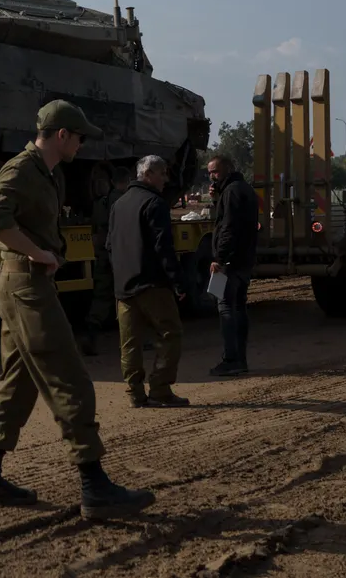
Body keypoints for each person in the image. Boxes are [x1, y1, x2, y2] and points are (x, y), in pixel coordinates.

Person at [0, 99, 156, 520]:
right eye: (79, 136)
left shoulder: (45, 173)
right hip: (27, 286)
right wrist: (39, 253)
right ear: (61, 136)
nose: (82, 144)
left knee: (17, 383)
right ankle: (95, 486)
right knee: (70, 378)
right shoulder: (21, 169)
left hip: (24, 284)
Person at [107, 155, 189, 407]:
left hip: (124, 286)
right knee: (170, 333)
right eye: (163, 173)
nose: (166, 179)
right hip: (152, 284)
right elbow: (163, 248)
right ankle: (160, 389)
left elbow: (109, 245)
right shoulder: (155, 203)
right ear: (149, 174)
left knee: (129, 343)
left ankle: (134, 394)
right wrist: (177, 282)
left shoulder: (118, 205)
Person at [205, 154, 258, 376]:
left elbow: (227, 227)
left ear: (227, 168)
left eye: (215, 171)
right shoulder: (243, 189)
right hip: (244, 259)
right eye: (209, 173)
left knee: (225, 306)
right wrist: (217, 199)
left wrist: (219, 258)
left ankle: (231, 359)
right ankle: (240, 358)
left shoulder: (232, 191)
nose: (212, 176)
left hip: (228, 262)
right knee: (237, 306)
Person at [78, 166, 131, 357]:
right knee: (128, 297)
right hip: (121, 256)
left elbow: (94, 232)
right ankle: (133, 339)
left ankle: (91, 334)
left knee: (101, 296)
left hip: (103, 254)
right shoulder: (126, 201)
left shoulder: (101, 202)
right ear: (128, 182)